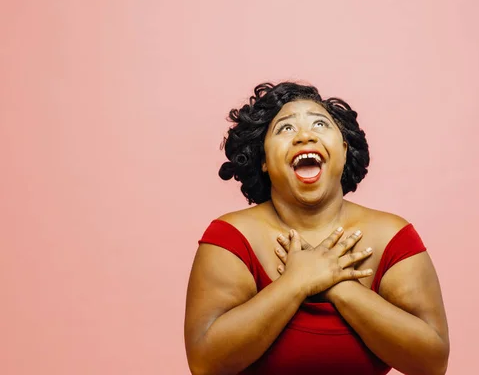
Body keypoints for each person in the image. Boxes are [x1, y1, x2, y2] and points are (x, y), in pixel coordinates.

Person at [184, 82, 449, 375]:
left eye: (320, 124)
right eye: (285, 129)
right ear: (263, 161)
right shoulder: (231, 238)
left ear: (345, 150)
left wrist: (338, 285)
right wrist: (296, 283)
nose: (304, 136)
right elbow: (205, 363)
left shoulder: (391, 236)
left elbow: (432, 362)